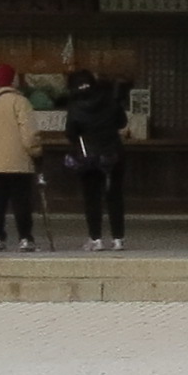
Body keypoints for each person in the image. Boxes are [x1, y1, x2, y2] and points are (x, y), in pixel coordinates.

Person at [0, 61, 42, 252]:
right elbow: (29, 133)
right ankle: (25, 238)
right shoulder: (20, 102)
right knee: (21, 201)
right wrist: (36, 151)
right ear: (13, 80)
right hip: (18, 161)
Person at [59, 66, 126, 251]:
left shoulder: (75, 105)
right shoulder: (110, 98)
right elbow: (122, 122)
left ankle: (96, 238)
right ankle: (118, 238)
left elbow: (71, 132)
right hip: (113, 152)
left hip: (88, 155)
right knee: (114, 195)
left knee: (92, 197)